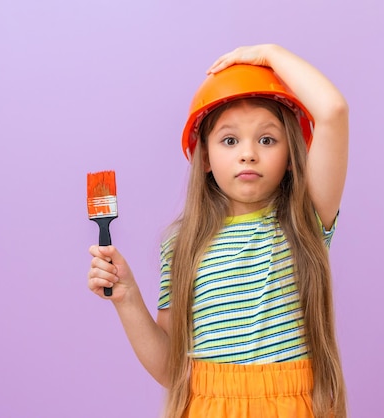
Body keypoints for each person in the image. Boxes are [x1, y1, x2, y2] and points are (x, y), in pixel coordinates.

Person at [87, 43, 349, 418]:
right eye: (230, 140)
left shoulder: (305, 220)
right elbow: (170, 369)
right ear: (205, 157)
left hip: (293, 404)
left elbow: (333, 111)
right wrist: (126, 298)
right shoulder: (181, 244)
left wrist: (270, 54)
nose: (248, 153)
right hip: (207, 406)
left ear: (292, 156)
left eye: (267, 139)